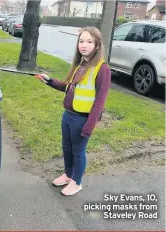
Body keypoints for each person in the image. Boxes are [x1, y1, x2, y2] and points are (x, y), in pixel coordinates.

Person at [36, 27, 111, 196]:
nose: (84, 45)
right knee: (66, 148)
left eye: (89, 42)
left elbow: (100, 102)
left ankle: (77, 182)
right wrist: (50, 81)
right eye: (81, 41)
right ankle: (68, 175)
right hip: (68, 116)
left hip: (82, 119)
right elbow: (68, 87)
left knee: (78, 151)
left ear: (97, 45)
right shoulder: (81, 64)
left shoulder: (102, 69)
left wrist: (89, 126)